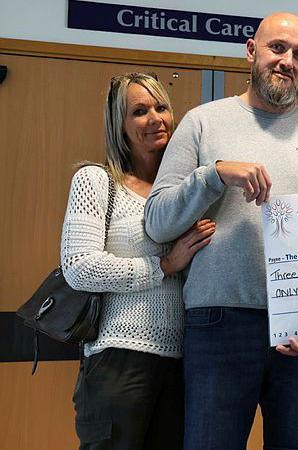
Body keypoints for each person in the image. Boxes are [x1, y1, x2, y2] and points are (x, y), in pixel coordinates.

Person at [143, 12, 298, 450]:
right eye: (278, 48)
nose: (287, 61)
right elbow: (158, 221)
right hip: (218, 322)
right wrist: (214, 175)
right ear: (251, 50)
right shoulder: (202, 122)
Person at [62, 72, 215, 449]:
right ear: (120, 124)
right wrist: (163, 266)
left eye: (161, 107)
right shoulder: (96, 181)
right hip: (118, 361)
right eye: (139, 111)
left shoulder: (185, 194)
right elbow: (78, 266)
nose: (155, 119)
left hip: (181, 361)